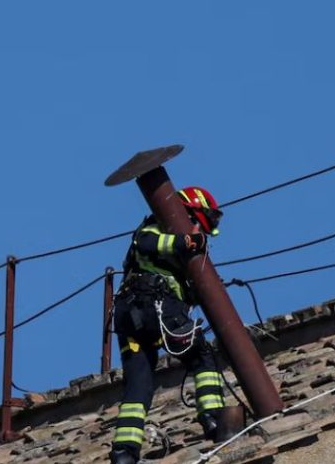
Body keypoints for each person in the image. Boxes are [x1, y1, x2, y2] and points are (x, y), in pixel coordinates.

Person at [109, 187, 228, 464]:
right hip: (156, 305)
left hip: (128, 315)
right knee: (201, 355)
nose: (201, 231)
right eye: (204, 221)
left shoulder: (174, 250)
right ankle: (213, 417)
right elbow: (147, 242)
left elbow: (185, 288)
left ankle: (124, 452)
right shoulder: (156, 227)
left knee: (139, 384)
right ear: (192, 213)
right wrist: (184, 242)